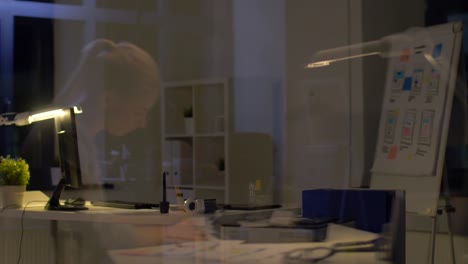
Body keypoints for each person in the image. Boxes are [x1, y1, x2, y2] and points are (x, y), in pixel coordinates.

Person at [53, 38, 162, 203]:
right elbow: (87, 222)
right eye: (140, 111)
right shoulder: (73, 143)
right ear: (108, 99)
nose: (142, 123)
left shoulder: (82, 140)